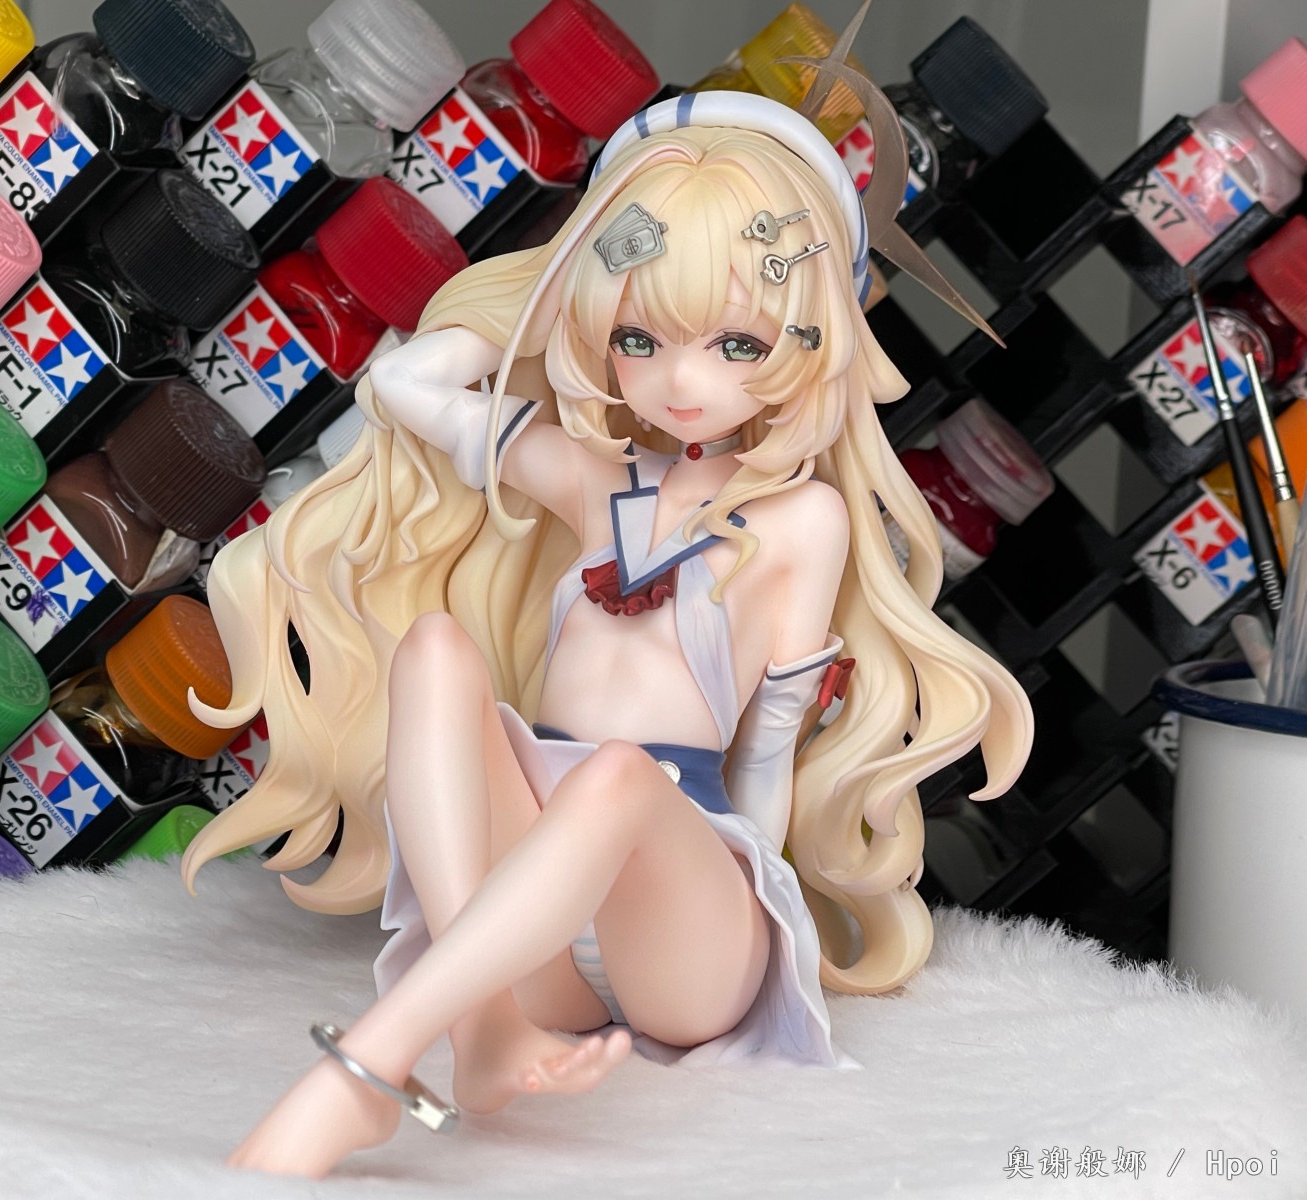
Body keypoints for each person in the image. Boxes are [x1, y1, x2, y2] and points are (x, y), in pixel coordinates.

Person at [182, 91, 1033, 1178]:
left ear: (806, 341)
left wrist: (760, 900)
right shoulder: (595, 480)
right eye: (640, 337)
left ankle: (364, 1075)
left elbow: (768, 746)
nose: (682, 382)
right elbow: (403, 381)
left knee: (621, 776)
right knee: (434, 651)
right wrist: (559, 279)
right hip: (527, 915)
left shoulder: (801, 519)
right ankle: (485, 1032)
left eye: (736, 343)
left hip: (684, 926)